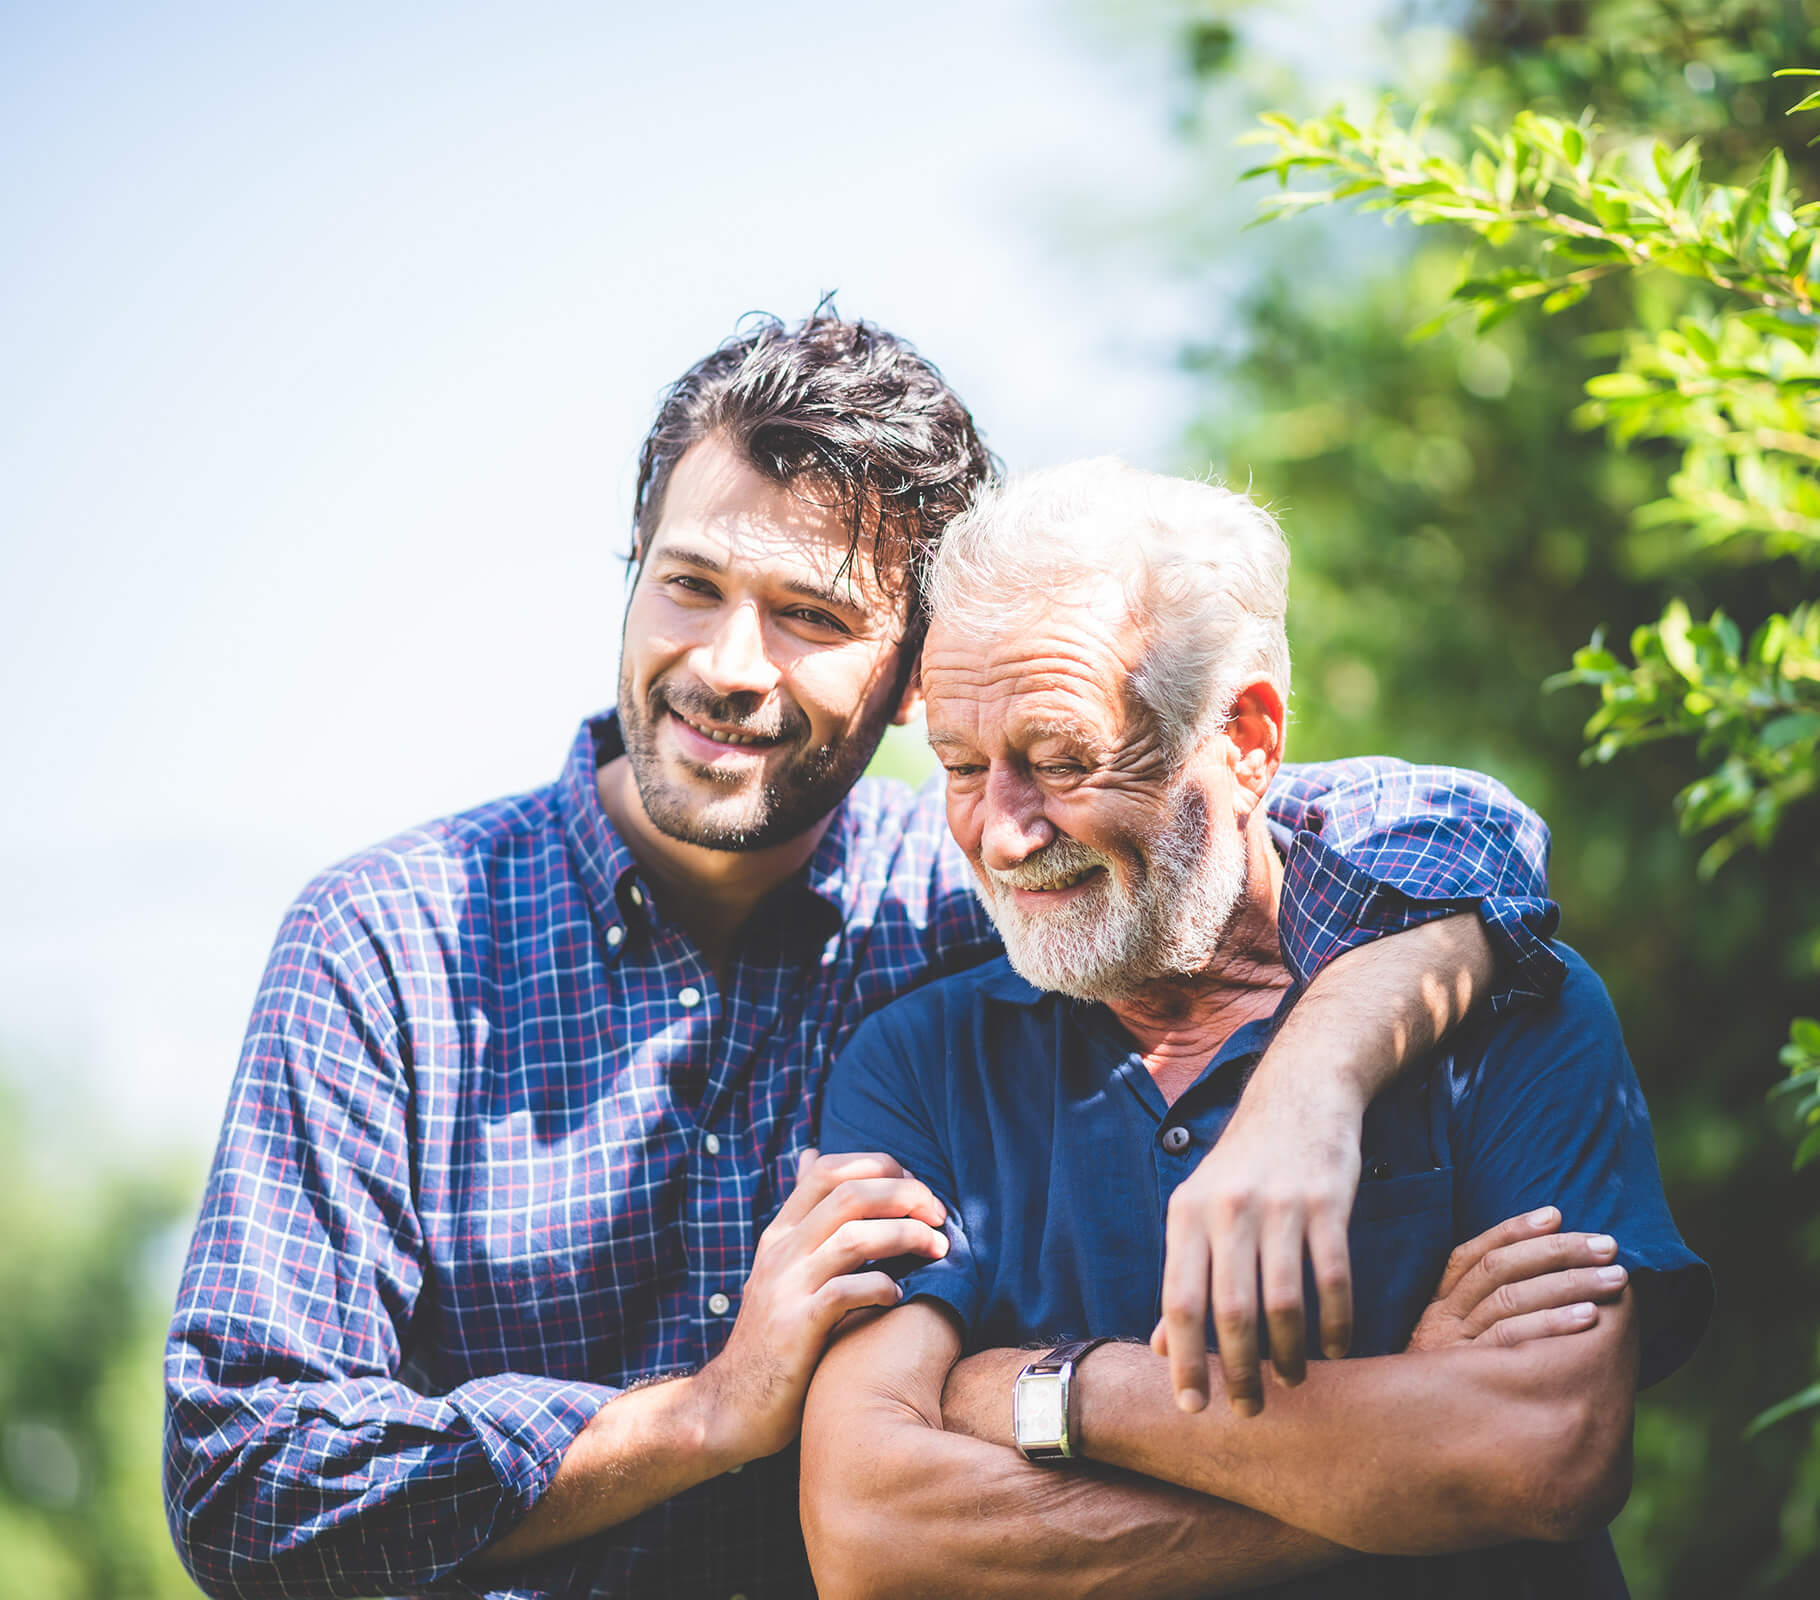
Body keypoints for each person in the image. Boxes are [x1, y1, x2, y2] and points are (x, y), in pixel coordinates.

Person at [164, 315, 1565, 1600]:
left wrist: (1311, 1084)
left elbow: (1448, 829)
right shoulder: (386, 943)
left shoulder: (983, 899)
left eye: (814, 619)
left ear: (915, 677)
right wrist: (706, 1411)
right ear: (631, 579)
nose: (727, 663)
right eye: (689, 586)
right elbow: (243, 1483)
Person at [801, 457, 1713, 1599]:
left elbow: (1544, 1453)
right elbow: (866, 1531)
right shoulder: (919, 1064)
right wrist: (1390, 1454)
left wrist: (1044, 1390)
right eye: (961, 768)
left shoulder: (1507, 1009)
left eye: (1065, 760)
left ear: (1244, 737)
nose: (1003, 834)